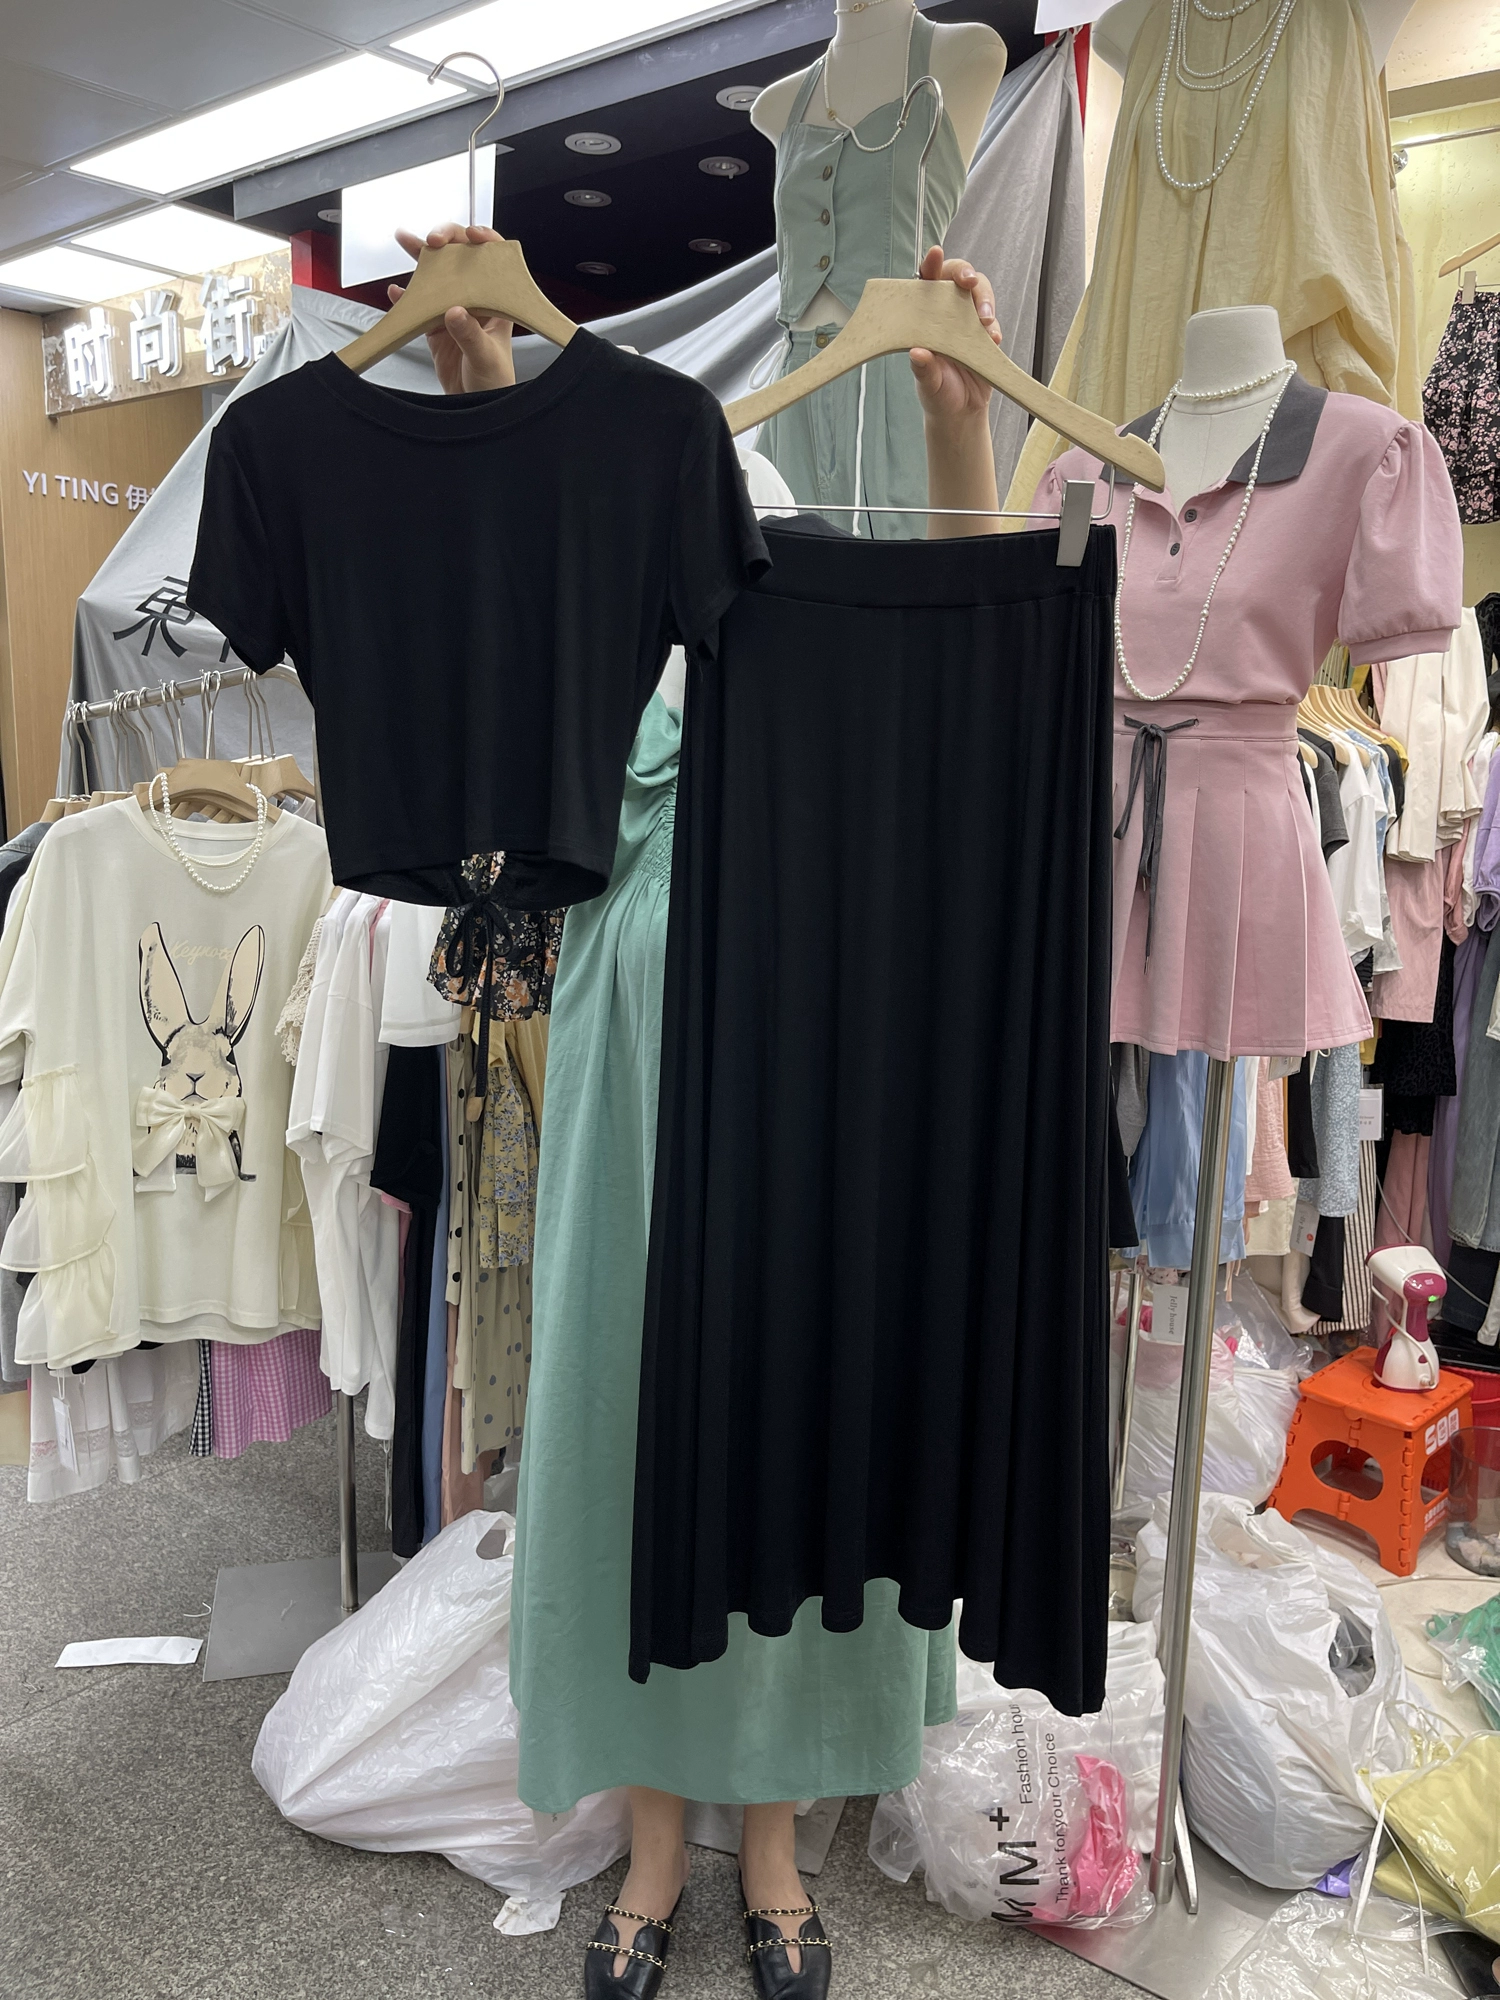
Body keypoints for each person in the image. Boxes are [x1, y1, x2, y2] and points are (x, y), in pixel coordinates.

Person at [391, 224, 1006, 2000]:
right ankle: (657, 1850)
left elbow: (970, 649)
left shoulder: (835, 688)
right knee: (628, 1466)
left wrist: (956, 424)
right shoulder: (602, 678)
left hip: (804, 1135)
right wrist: (490, 405)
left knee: (791, 1450)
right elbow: (487, 633)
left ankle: (776, 1847)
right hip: (626, 1141)